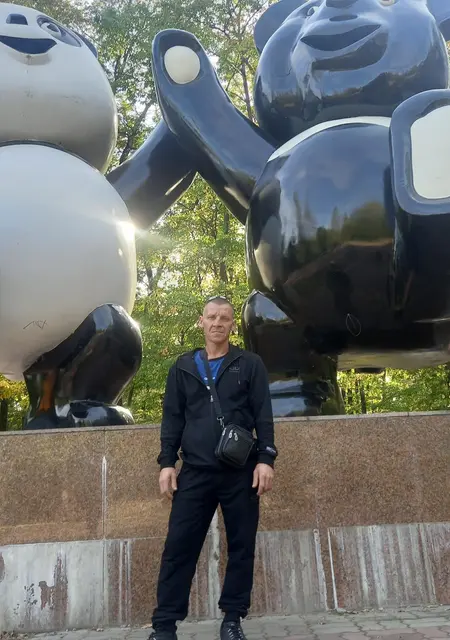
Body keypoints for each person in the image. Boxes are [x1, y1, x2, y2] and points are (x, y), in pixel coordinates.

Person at [149, 296, 277, 640]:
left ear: (232, 324)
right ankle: (164, 626)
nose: (218, 323)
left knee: (241, 547)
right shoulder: (183, 366)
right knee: (178, 547)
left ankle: (232, 619)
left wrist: (266, 459)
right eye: (212, 317)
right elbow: (172, 417)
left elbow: (263, 415)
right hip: (194, 472)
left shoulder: (249, 364)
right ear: (201, 321)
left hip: (240, 472)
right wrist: (167, 463)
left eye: (224, 318)